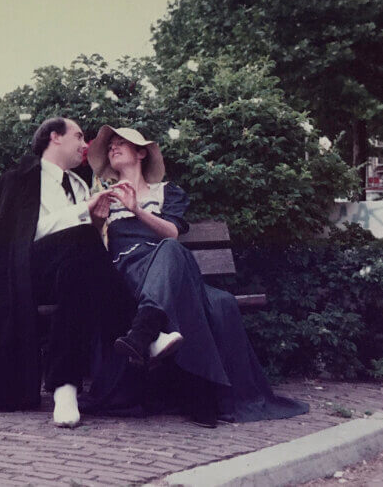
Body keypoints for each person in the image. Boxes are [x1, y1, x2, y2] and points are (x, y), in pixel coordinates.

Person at [84, 125, 308, 428]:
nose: (113, 147)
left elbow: (172, 233)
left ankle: (147, 331)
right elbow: (95, 251)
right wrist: (97, 223)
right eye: (110, 145)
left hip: (167, 267)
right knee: (212, 296)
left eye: (122, 142)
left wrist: (136, 209)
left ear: (141, 152)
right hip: (127, 269)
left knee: (213, 294)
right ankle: (199, 395)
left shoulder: (167, 192)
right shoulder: (103, 196)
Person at [0, 117, 137, 427]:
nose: (84, 144)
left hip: (64, 278)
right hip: (26, 275)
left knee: (78, 273)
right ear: (55, 137)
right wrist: (83, 213)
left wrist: (92, 221)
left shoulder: (79, 185)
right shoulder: (21, 179)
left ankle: (65, 389)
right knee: (82, 238)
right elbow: (26, 235)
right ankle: (142, 327)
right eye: (78, 136)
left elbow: (83, 250)